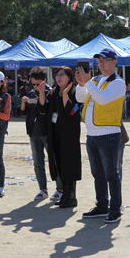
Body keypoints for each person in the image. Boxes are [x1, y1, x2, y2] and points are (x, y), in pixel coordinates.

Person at [76, 48, 126, 223]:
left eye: (105, 61)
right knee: (97, 173)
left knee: (111, 174)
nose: (101, 64)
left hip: (108, 134)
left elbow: (103, 99)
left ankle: (115, 209)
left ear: (115, 62)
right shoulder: (96, 80)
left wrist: (88, 83)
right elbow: (81, 98)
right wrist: (82, 84)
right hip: (92, 134)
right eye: (99, 61)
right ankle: (102, 205)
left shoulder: (118, 82)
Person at [38, 67, 81, 208]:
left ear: (70, 77)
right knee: (59, 165)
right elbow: (43, 109)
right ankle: (64, 194)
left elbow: (71, 111)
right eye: (57, 75)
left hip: (69, 135)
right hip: (55, 133)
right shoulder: (53, 92)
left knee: (69, 166)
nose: (59, 77)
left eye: (62, 74)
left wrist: (65, 94)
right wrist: (41, 93)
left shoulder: (76, 92)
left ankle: (71, 197)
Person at [20, 66, 63, 202]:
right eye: (33, 84)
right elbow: (22, 113)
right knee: (38, 163)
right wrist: (23, 104)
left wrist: (42, 98)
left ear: (44, 80)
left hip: (49, 133)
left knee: (55, 162)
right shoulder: (31, 93)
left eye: (38, 84)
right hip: (33, 133)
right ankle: (42, 189)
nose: (35, 86)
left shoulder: (52, 93)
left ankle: (60, 189)